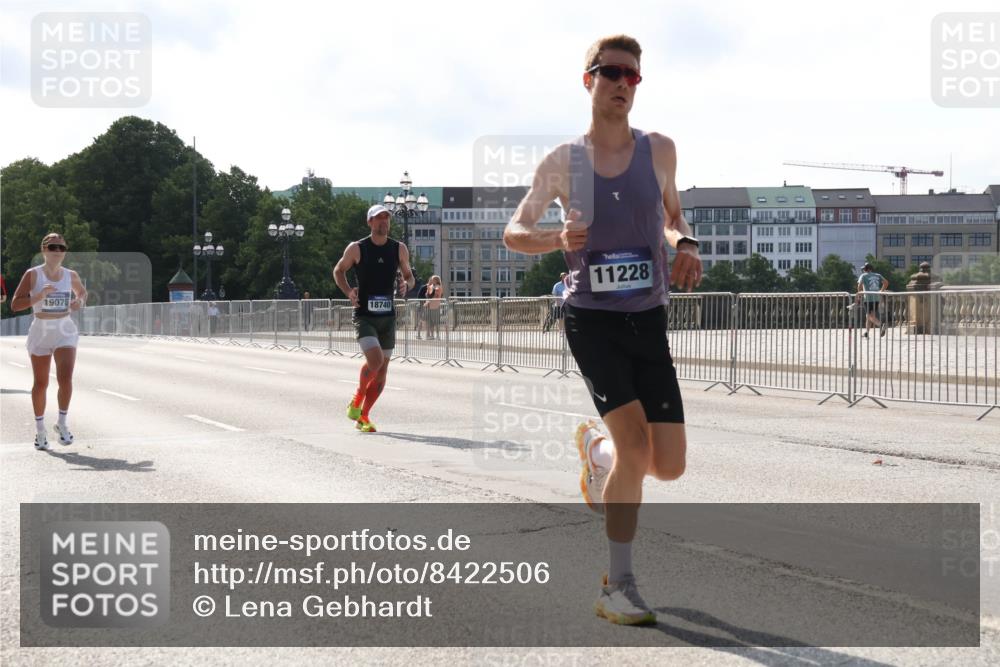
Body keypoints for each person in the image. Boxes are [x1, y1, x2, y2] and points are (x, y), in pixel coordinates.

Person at [503, 34, 702, 626]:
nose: (623, 84)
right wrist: (554, 239)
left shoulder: (659, 150)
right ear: (587, 79)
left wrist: (684, 242)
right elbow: (516, 231)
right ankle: (618, 584)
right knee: (637, 450)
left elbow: (671, 217)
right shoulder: (565, 162)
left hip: (648, 317)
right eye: (612, 73)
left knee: (668, 465)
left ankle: (596, 452)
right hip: (591, 319)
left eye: (633, 76)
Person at [333, 205, 415, 432]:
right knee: (375, 361)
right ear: (369, 222)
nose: (384, 222)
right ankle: (357, 399)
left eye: (386, 218)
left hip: (387, 317)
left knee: (382, 372)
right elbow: (338, 271)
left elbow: (410, 277)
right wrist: (349, 291)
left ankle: (364, 416)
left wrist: (405, 284)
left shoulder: (399, 249)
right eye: (379, 219)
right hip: (365, 316)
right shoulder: (357, 248)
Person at [9, 233, 87, 451]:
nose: (57, 251)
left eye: (61, 247)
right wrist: (39, 296)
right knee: (41, 383)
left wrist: (78, 301)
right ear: (44, 250)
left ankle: (62, 424)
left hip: (64, 329)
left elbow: (82, 292)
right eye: (53, 247)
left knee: (66, 378)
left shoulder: (70, 275)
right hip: (41, 330)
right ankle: (40, 430)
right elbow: (15, 305)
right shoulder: (32, 275)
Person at [856, 263, 889, 338]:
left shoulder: (863, 275)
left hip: (868, 298)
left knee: (869, 315)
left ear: (865, 269)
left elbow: (859, 286)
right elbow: (886, 282)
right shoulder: (878, 275)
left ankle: (881, 325)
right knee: (871, 316)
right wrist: (881, 291)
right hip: (876, 298)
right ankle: (866, 333)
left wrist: (859, 295)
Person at [425, 275, 443, 340]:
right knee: (430, 322)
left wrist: (432, 289)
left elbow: (436, 294)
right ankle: (432, 335)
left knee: (436, 322)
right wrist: (428, 288)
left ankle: (438, 335)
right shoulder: (430, 286)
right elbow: (427, 294)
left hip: (436, 306)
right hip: (429, 306)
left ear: (436, 280)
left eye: (433, 279)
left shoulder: (439, 287)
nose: (431, 280)